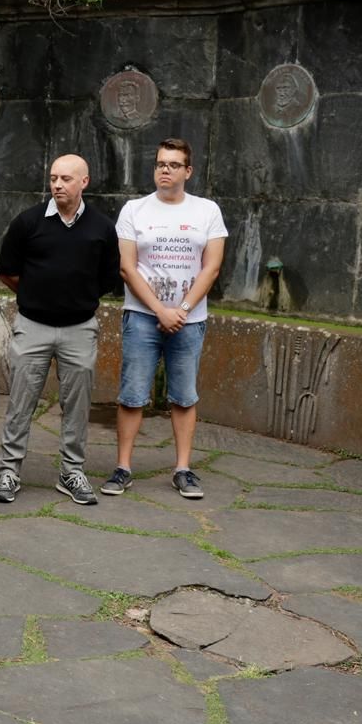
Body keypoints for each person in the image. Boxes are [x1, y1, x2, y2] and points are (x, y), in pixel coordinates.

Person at [103, 138, 227, 500]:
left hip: (189, 320)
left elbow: (212, 266)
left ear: (188, 171)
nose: (164, 170)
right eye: (160, 164)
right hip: (142, 317)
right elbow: (127, 267)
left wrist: (183, 311)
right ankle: (123, 467)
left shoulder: (207, 211)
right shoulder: (134, 210)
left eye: (173, 165)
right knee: (132, 395)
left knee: (184, 396)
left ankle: (183, 469)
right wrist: (160, 309)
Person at [0, 155, 120, 506]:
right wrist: (36, 295)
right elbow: (7, 270)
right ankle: (9, 471)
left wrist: (76, 298)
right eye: (53, 178)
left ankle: (71, 472)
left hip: (80, 329)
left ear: (84, 182)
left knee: (77, 405)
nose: (58, 185)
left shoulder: (102, 228)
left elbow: (109, 277)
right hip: (33, 326)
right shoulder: (28, 222)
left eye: (66, 179)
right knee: (21, 402)